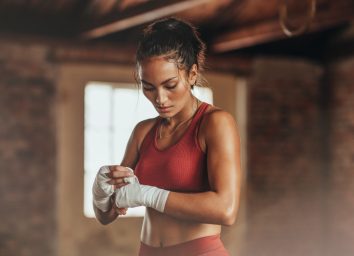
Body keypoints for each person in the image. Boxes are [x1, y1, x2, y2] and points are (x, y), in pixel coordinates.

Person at [92, 17, 242, 256]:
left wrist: (148, 195)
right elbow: (108, 214)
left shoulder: (215, 123)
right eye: (149, 87)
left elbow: (226, 209)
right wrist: (100, 194)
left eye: (170, 85)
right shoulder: (143, 132)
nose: (160, 99)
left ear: (192, 74)